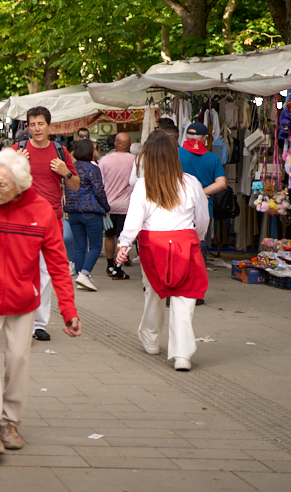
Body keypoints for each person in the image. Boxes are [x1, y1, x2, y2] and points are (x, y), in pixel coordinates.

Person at [0, 149, 81, 457]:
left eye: (2, 185)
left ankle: (10, 422)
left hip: (22, 298)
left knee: (17, 359)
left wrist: (68, 311)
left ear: (20, 186)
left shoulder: (40, 211)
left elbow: (57, 263)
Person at [115, 135, 209, 371]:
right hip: (185, 243)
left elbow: (133, 220)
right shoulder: (191, 183)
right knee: (184, 298)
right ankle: (182, 354)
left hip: (153, 245)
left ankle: (150, 337)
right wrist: (197, 238)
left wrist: (124, 244)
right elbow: (202, 219)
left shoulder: (143, 185)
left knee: (154, 291)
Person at [17, 106, 80, 342]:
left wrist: (65, 172)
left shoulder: (60, 151)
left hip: (52, 220)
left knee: (45, 272)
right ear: (27, 127)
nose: (36, 129)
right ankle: (21, 318)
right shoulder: (19, 150)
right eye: (32, 124)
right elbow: (2, 181)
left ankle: (39, 324)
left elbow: (75, 185)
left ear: (49, 126)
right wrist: (17, 165)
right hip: (22, 220)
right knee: (23, 271)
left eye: (40, 124)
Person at [63, 139, 110, 291]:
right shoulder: (92, 168)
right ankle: (84, 274)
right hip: (90, 211)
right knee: (96, 245)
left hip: (73, 212)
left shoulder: (70, 168)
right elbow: (99, 191)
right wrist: (106, 207)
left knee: (80, 246)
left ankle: (79, 276)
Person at [98, 132, 136, 278]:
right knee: (123, 238)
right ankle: (118, 267)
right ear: (130, 144)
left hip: (108, 206)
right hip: (127, 207)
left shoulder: (104, 160)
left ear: (115, 144)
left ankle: (109, 266)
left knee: (109, 236)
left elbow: (100, 183)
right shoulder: (135, 160)